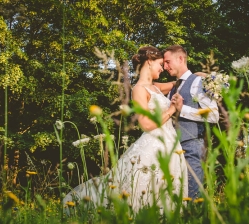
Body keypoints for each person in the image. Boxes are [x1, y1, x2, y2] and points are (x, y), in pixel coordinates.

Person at [62, 46, 187, 212]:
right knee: (146, 191)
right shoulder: (139, 90)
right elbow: (146, 124)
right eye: (160, 63)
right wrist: (172, 110)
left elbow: (177, 82)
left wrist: (198, 76)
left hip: (171, 145)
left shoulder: (156, 87)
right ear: (149, 62)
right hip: (154, 146)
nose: (163, 68)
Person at [160, 45, 218, 199]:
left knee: (193, 198)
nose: (165, 67)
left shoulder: (198, 81)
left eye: (167, 62)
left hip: (191, 147)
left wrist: (182, 108)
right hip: (172, 150)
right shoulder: (174, 87)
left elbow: (213, 115)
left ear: (180, 59)